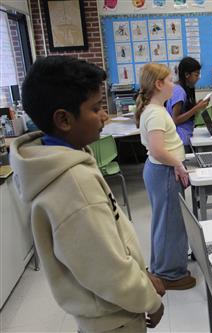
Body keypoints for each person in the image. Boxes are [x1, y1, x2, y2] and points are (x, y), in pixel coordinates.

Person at [10, 56, 164, 332]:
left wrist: (141, 273)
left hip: (101, 312)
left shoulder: (58, 160)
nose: (104, 115)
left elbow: (105, 245)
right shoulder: (73, 184)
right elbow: (108, 270)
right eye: (96, 108)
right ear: (64, 119)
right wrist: (150, 300)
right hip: (116, 318)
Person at [135, 63, 196, 290]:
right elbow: (158, 149)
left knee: (165, 222)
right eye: (170, 80)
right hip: (164, 171)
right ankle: (170, 274)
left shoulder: (155, 110)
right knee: (171, 224)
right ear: (159, 84)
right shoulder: (156, 113)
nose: (173, 84)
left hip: (160, 170)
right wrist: (179, 164)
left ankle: (161, 268)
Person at [166, 57, 209, 148]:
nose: (198, 78)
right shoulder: (179, 91)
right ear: (187, 75)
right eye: (196, 75)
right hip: (179, 139)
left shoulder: (184, 89)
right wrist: (196, 108)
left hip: (184, 136)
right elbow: (175, 120)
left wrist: (197, 105)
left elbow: (184, 111)